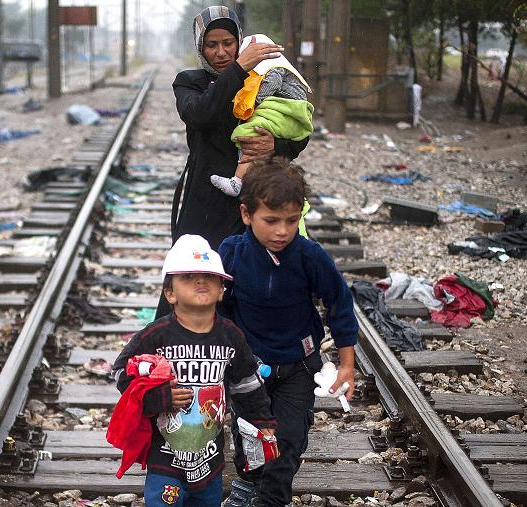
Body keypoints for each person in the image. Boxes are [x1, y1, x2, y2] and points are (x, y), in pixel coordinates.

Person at [217, 158, 358, 507]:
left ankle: (271, 499)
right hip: (248, 369)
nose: (282, 231)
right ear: (247, 214)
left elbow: (339, 303)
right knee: (250, 435)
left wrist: (347, 365)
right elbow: (219, 309)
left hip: (297, 366)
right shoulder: (232, 254)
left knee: (289, 438)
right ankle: (249, 482)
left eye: (292, 221)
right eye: (272, 221)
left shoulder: (309, 256)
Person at [110, 234, 276, 507]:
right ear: (170, 293)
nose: (200, 281)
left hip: (210, 460)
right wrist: (158, 398)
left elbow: (246, 385)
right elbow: (121, 373)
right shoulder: (156, 336)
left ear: (222, 289)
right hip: (165, 458)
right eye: (188, 276)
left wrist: (263, 423)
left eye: (209, 277)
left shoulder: (231, 336)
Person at [171, 6, 308, 250]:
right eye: (211, 45)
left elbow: (296, 131)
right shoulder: (190, 83)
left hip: (258, 197)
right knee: (197, 275)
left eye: (228, 43)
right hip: (206, 202)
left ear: (239, 42)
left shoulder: (261, 78)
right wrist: (238, 69)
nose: (221, 53)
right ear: (200, 47)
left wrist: (274, 146)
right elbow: (199, 114)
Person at [210, 34, 313, 197]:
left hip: (286, 107)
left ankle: (237, 181)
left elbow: (271, 84)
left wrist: (254, 102)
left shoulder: (273, 66)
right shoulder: (188, 81)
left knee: (250, 133)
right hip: (289, 108)